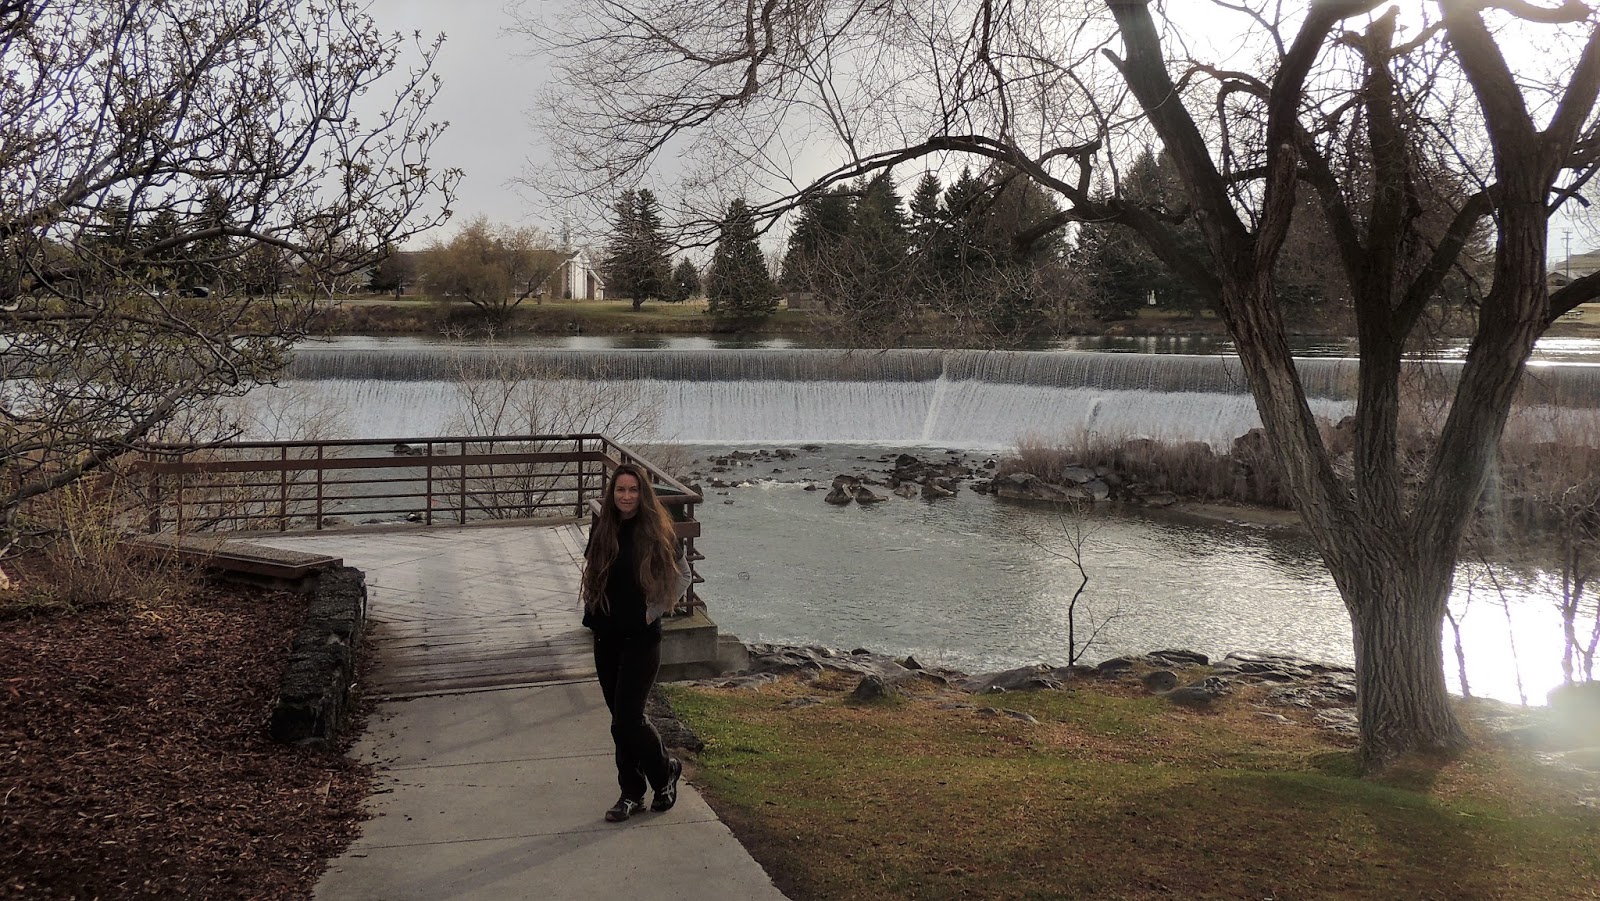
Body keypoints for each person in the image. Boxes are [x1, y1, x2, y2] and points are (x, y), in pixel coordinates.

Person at [580, 463, 692, 822]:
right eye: (620, 491)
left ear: (642, 494)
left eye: (632, 490)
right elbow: (591, 569)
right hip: (606, 635)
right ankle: (638, 790)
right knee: (620, 720)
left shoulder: (656, 530)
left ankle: (656, 776)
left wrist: (652, 611)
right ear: (612, 495)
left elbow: (683, 576)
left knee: (626, 720)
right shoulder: (604, 528)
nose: (626, 496)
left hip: (642, 639)